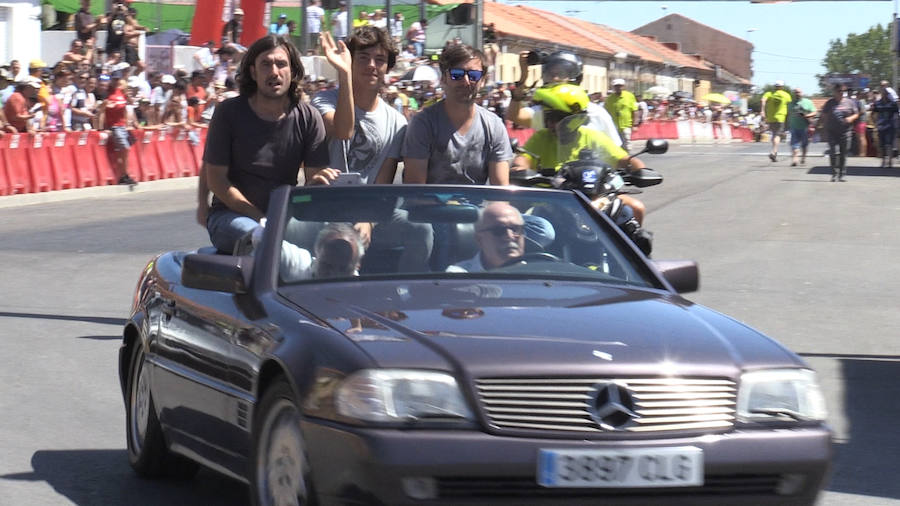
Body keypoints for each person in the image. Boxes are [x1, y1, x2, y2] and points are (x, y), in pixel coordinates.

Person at [313, 26, 432, 272]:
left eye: (379, 60)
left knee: (421, 229)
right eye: (363, 58)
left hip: (368, 210)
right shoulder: (323, 101)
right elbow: (341, 130)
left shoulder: (397, 122)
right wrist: (344, 73)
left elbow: (382, 184)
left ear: (387, 67)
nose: (371, 66)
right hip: (324, 207)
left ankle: (405, 289)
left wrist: (369, 220)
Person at [201, 35, 331, 253]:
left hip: (285, 216)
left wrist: (318, 185)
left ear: (292, 71)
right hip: (232, 217)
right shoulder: (228, 112)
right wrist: (260, 219)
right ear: (253, 72)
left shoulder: (309, 117)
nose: (274, 72)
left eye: (281, 64)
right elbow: (216, 180)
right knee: (261, 238)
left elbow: (313, 184)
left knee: (333, 239)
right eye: (266, 64)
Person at [510, 83, 650, 223]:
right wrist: (519, 168)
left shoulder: (592, 136)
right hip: (551, 198)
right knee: (522, 220)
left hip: (593, 197)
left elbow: (624, 159)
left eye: (556, 118)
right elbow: (523, 158)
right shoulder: (541, 137)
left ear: (575, 118)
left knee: (636, 208)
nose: (551, 124)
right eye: (548, 118)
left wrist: (639, 170)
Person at [403, 43, 511, 186]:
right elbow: (415, 189)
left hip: (476, 201)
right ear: (444, 78)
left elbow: (501, 189)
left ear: (483, 81)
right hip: (429, 200)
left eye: (474, 75)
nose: (466, 81)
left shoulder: (494, 126)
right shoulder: (423, 124)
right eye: (457, 75)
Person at [506, 51, 621, 147]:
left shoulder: (596, 113)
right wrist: (523, 77)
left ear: (576, 78)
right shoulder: (546, 111)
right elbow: (514, 115)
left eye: (561, 73)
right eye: (551, 74)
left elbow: (615, 150)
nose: (555, 78)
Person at [447, 202, 525, 272]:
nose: (509, 236)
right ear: (479, 240)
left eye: (515, 229)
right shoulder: (457, 277)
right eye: (499, 230)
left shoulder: (532, 272)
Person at [274, 222, 366, 281]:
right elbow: (267, 237)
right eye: (327, 266)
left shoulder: (362, 292)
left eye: (343, 269)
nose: (333, 275)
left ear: (357, 265)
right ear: (316, 252)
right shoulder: (297, 263)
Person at [99, 75, 139, 185]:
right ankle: (124, 175)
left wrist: (127, 123)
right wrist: (102, 127)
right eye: (114, 79)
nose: (116, 82)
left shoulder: (121, 93)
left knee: (124, 152)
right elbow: (102, 111)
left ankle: (124, 175)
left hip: (122, 126)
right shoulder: (107, 94)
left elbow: (127, 107)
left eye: (118, 79)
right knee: (124, 149)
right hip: (114, 126)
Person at [818, 83, 859, 182]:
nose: (841, 93)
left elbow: (856, 114)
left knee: (843, 153)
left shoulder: (849, 102)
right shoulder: (830, 103)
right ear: (834, 92)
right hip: (832, 131)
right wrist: (822, 127)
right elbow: (824, 115)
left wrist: (850, 118)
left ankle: (842, 174)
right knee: (833, 152)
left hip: (845, 132)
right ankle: (834, 174)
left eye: (843, 91)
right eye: (839, 91)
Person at [604, 78, 639, 152]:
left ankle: (627, 156)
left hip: (626, 125)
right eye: (616, 86)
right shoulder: (609, 99)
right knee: (615, 144)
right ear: (613, 87)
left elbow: (635, 110)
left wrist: (635, 124)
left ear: (623, 86)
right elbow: (605, 112)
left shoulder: (630, 96)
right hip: (614, 126)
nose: (618, 88)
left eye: (620, 86)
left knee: (627, 143)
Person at [761, 80, 792, 162]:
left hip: (771, 118)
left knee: (774, 134)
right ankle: (774, 152)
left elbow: (763, 100)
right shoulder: (786, 95)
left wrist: (762, 111)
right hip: (780, 117)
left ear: (775, 86)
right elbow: (790, 106)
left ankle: (774, 152)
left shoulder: (769, 93)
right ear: (782, 87)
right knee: (777, 135)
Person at [787, 87, 816, 166]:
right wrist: (786, 126)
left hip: (805, 127)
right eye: (795, 92)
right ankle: (795, 159)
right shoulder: (790, 104)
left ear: (802, 93)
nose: (797, 94)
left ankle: (803, 157)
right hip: (794, 127)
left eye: (798, 92)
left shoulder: (808, 102)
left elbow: (814, 112)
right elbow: (788, 115)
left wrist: (806, 116)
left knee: (804, 145)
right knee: (794, 144)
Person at [872, 83, 899, 168]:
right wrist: (875, 123)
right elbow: (874, 113)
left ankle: (890, 161)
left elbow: (896, 114)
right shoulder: (878, 103)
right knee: (882, 144)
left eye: (886, 93)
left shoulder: (893, 104)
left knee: (889, 144)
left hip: (890, 126)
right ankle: (883, 161)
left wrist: (896, 125)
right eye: (884, 93)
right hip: (881, 126)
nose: (885, 94)